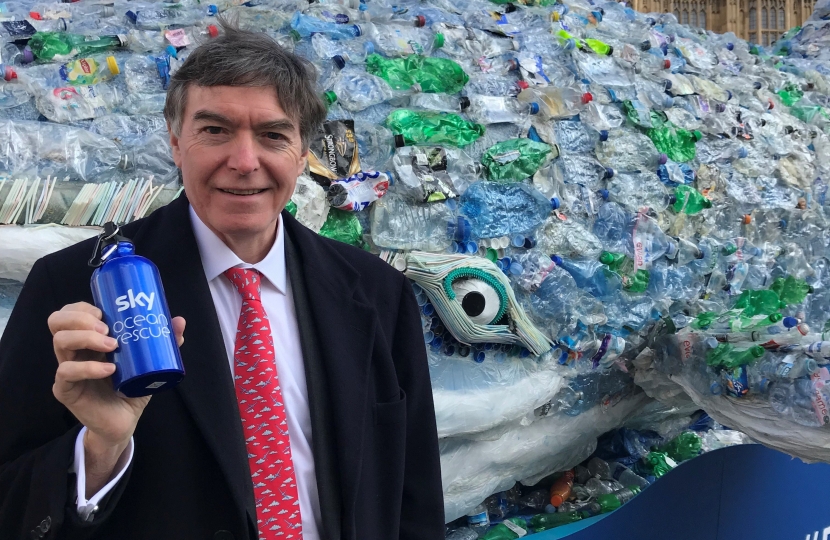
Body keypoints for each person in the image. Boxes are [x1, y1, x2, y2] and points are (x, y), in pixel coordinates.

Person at [0, 24, 444, 540]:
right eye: (214, 131)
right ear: (174, 141)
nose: (244, 161)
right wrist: (100, 449)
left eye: (273, 135)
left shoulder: (376, 293)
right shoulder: (75, 288)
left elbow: (413, 494)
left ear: (303, 153)